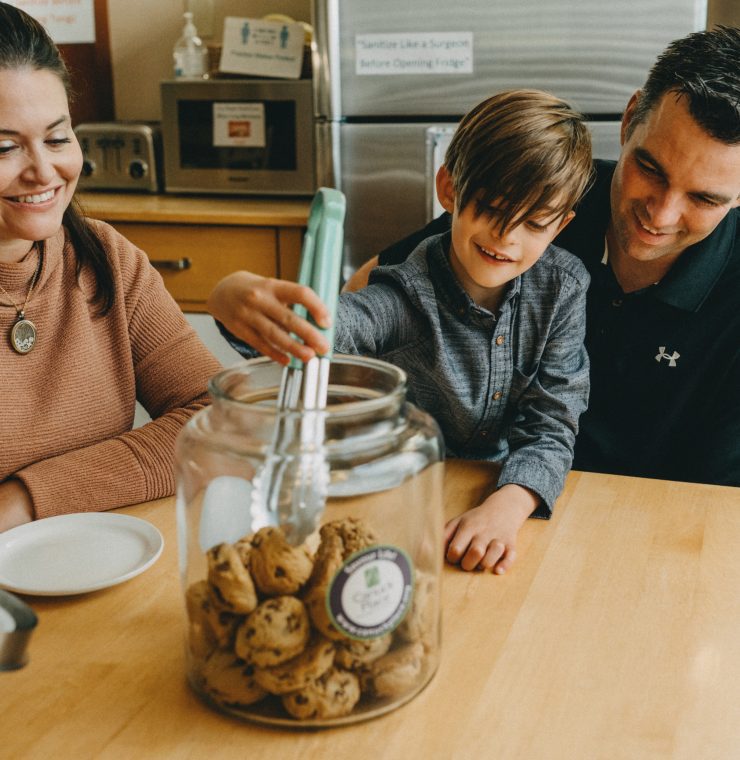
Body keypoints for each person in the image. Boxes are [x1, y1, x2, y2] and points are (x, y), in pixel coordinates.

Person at [208, 89, 594, 575]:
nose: (506, 237)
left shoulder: (564, 289)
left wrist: (508, 506)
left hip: (502, 497)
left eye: (534, 224)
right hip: (400, 495)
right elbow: (327, 330)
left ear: (560, 225)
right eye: (491, 209)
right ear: (449, 189)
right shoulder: (403, 295)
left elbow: (552, 425)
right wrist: (230, 295)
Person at [346, 26, 740, 489]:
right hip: (490, 499)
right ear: (630, 118)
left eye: (704, 199)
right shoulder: (545, 198)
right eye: (649, 168)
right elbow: (366, 287)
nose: (661, 213)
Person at [0, 3, 221, 532]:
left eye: (57, 138)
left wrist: (22, 502)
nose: (45, 172)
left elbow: (218, 422)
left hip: (101, 574)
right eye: (4, 147)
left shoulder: (104, 256)